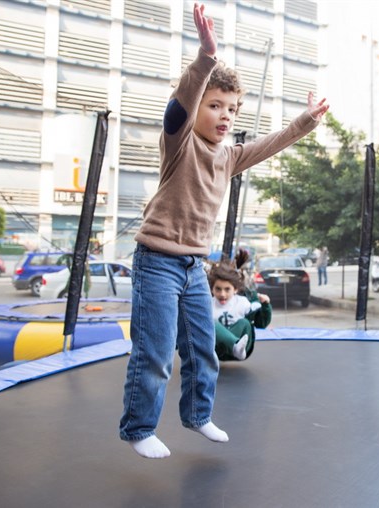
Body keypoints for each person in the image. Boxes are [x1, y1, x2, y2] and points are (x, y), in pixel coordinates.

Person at [120, 3, 329, 459]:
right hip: (156, 262)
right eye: (214, 105)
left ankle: (197, 416)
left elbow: (270, 144)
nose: (225, 115)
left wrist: (307, 121)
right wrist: (206, 57)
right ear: (198, 107)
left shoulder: (230, 156)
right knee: (155, 350)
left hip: (194, 265)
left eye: (232, 109)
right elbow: (178, 107)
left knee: (203, 347)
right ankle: (139, 428)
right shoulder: (179, 142)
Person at [209, 250, 272, 362]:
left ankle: (237, 347)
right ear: (212, 289)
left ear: (235, 289)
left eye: (227, 289)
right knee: (209, 323)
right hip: (216, 349)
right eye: (218, 289)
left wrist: (266, 305)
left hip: (241, 351)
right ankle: (234, 345)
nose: (222, 294)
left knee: (245, 323)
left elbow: (261, 323)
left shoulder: (242, 302)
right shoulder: (208, 304)